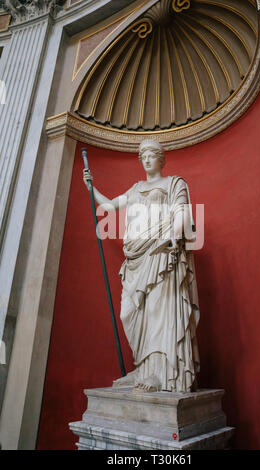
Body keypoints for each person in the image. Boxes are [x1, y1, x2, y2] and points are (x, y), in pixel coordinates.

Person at [83, 139, 200, 393]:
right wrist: (91, 188)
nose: (146, 160)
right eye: (142, 156)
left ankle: (160, 373)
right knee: (130, 312)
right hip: (136, 258)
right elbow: (109, 207)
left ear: (161, 159)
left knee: (159, 313)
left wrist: (172, 235)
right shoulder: (135, 189)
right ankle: (143, 368)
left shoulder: (174, 183)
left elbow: (183, 213)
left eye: (151, 155)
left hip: (160, 252)